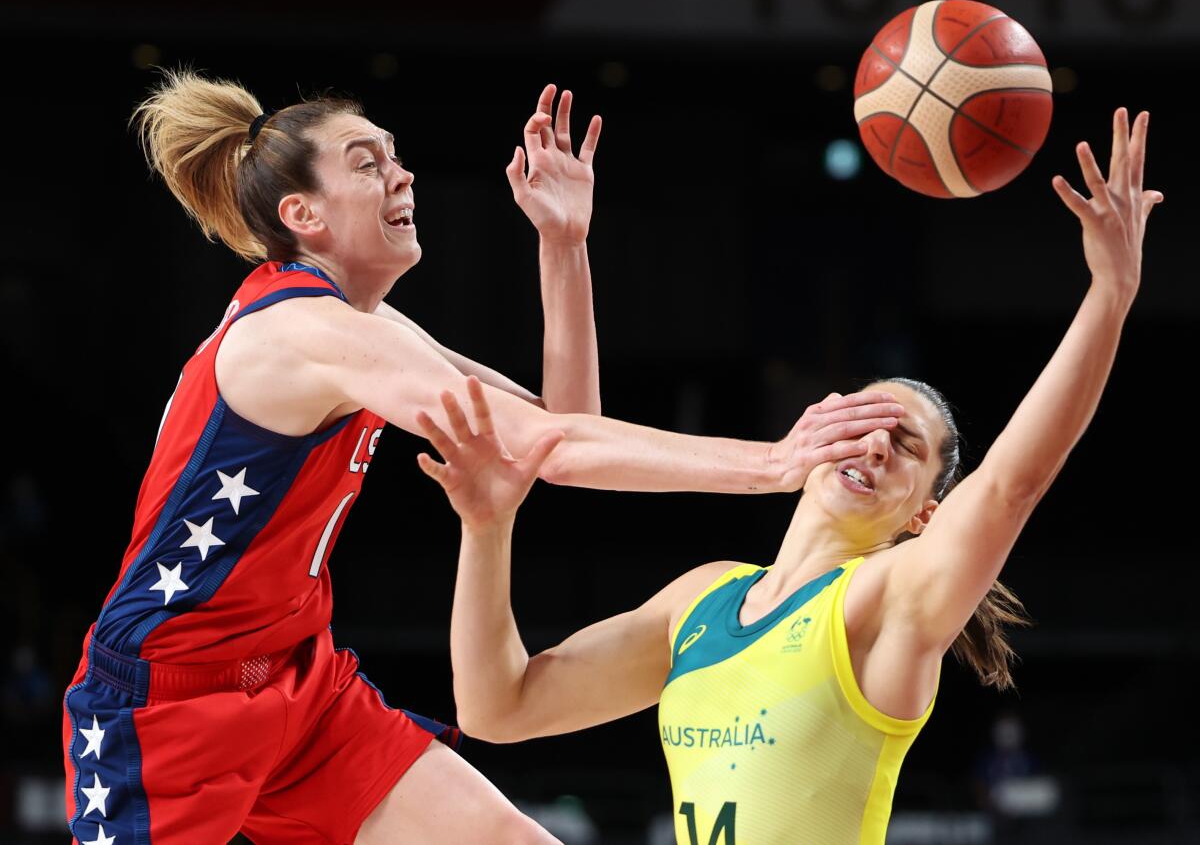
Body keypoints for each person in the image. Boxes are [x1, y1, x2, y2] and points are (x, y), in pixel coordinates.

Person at [61, 69, 906, 845]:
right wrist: (772, 464)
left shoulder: (364, 327)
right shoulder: (301, 331)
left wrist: (564, 245)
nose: (403, 175)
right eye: (368, 163)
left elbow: (564, 428)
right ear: (302, 215)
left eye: (397, 157)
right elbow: (557, 449)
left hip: (299, 685)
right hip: (167, 707)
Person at [419, 108, 1161, 844]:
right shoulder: (701, 600)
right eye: (862, 423)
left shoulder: (885, 600)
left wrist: (1110, 294)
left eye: (905, 445)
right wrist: (487, 528)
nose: (873, 446)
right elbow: (498, 708)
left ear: (923, 519)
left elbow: (1010, 484)